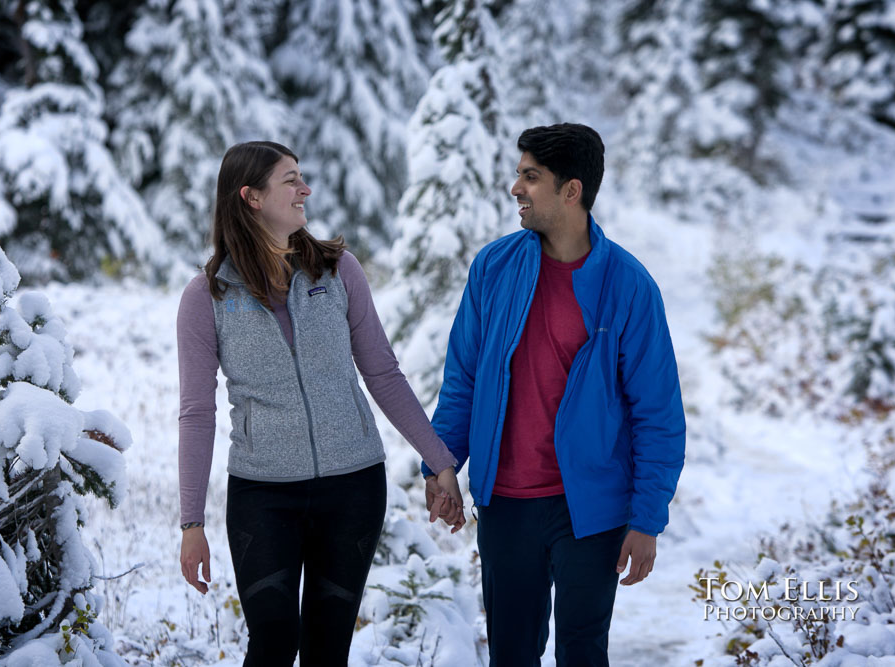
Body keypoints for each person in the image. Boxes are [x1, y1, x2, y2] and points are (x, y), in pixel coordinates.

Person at [177, 141, 466, 667]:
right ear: (252, 197)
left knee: (327, 647)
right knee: (272, 639)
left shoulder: (337, 272)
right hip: (263, 495)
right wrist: (190, 524)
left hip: (351, 490)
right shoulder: (208, 297)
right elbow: (197, 413)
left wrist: (439, 461)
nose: (305, 189)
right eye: (290, 180)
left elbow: (382, 372)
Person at [422, 123, 685, 666]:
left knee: (582, 654)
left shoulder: (628, 286)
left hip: (589, 508)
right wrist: (441, 464)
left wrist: (646, 519)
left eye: (531, 177)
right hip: (506, 504)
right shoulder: (494, 268)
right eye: (519, 175)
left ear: (572, 189)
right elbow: (463, 378)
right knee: (512, 655)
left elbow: (657, 413)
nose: (516, 188)